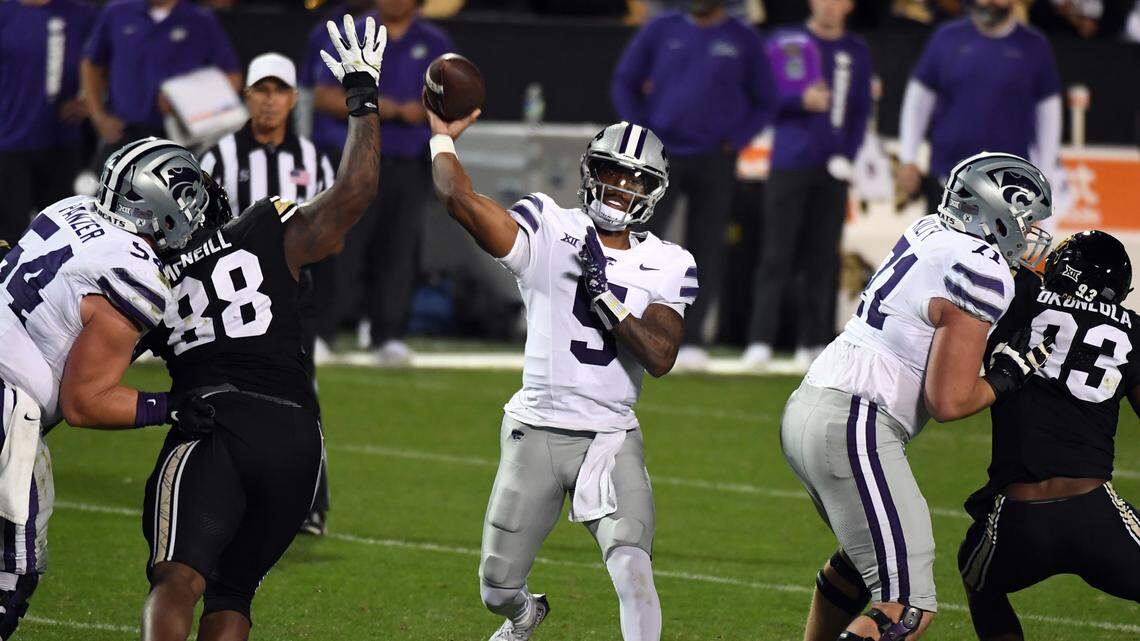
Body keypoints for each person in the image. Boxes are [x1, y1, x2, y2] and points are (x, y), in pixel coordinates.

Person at [133, 15, 383, 641]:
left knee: (177, 579)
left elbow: (85, 390)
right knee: (233, 591)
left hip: (218, 423)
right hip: (297, 438)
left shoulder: (143, 276)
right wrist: (361, 99)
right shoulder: (262, 227)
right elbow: (357, 189)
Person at [430, 113, 696, 641]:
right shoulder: (549, 224)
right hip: (537, 430)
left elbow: (661, 357)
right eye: (611, 171)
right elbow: (460, 201)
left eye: (636, 178)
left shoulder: (670, 261)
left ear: (653, 190)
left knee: (633, 570)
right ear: (588, 170)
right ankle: (525, 615)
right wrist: (443, 135)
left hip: (610, 437)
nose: (621, 186)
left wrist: (608, 300)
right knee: (496, 587)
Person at [780, 152, 1055, 641]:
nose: (1031, 233)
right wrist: (1009, 376)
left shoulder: (930, 228)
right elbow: (948, 400)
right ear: (998, 212)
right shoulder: (983, 265)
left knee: (860, 561)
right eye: (1027, 219)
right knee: (905, 606)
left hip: (813, 403)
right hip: (855, 420)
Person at [0, 136, 222, 639]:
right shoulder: (135, 276)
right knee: (10, 577)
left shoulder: (70, 208)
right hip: (6, 406)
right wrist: (168, 407)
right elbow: (85, 401)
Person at [959, 230, 1140, 641]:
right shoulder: (1131, 328)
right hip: (1094, 510)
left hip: (1020, 516)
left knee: (978, 577)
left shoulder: (1020, 298)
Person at [199, 53, 337, 536]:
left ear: (293, 98)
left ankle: (309, 502)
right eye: (262, 90)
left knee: (301, 396)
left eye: (279, 90)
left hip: (295, 295)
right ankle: (226, 492)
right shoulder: (217, 158)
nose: (270, 100)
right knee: (226, 391)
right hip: (233, 293)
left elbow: (325, 226)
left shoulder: (312, 158)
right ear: (248, 96)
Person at [611, 0, 773, 370]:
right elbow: (624, 81)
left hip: (715, 157)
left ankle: (693, 338)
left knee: (706, 249)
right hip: (660, 155)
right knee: (638, 240)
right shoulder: (660, 28)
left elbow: (766, 100)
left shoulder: (743, 39)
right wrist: (640, 130)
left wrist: (738, 139)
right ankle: (624, 327)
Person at [309, 0, 453, 365]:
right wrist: (378, 106)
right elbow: (322, 94)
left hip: (407, 160)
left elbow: (451, 99)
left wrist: (421, 111)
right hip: (353, 158)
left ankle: (387, 334)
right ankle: (323, 331)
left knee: (399, 248)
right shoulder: (349, 31)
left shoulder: (434, 41)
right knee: (339, 243)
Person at [743, 0, 872, 370]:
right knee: (775, 254)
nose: (830, 6)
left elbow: (861, 111)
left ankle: (814, 342)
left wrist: (848, 154)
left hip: (833, 169)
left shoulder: (856, 51)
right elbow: (762, 94)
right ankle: (760, 341)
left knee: (822, 257)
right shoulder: (787, 41)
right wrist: (799, 100)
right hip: (789, 163)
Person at [897, 0, 1062, 210]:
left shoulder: (1035, 46)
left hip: (1010, 189)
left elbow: (1049, 112)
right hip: (947, 180)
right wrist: (908, 158)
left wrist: (1045, 173)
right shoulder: (946, 38)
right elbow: (918, 100)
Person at [81, 0, 241, 160]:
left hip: (181, 139)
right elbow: (90, 64)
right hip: (124, 135)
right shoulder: (116, 12)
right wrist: (99, 118)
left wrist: (187, 98)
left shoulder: (200, 19)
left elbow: (233, 78)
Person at [0, 0, 96, 246]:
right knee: (9, 234)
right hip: (8, 142)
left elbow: (108, 61)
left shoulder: (82, 13)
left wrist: (89, 100)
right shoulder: (5, 12)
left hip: (64, 142)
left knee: (60, 234)